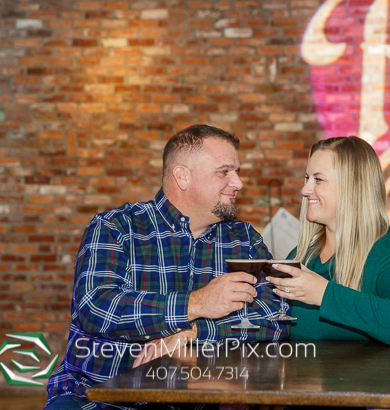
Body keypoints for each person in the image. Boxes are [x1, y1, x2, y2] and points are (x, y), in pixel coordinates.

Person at [45, 125, 288, 410]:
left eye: (237, 171)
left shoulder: (243, 239)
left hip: (193, 401)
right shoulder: (116, 227)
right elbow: (97, 308)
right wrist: (198, 303)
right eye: (224, 172)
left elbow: (275, 317)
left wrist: (193, 333)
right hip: (96, 397)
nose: (238, 183)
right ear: (182, 176)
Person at [267, 136, 390, 347]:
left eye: (318, 180)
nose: (305, 189)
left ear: (353, 186)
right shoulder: (302, 256)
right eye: (307, 178)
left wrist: (325, 294)